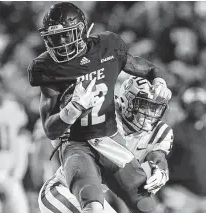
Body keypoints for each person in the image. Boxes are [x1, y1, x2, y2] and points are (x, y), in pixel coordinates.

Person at [27, 2, 172, 212]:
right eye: (54, 37)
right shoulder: (47, 68)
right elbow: (50, 129)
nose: (60, 43)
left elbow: (148, 68)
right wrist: (73, 109)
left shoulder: (107, 46)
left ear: (81, 29)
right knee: (93, 206)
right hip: (76, 144)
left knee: (147, 207)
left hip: (109, 140)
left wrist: (159, 81)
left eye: (66, 35)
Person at [38, 76, 173, 213]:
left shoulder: (158, 133)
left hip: (94, 198)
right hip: (63, 190)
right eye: (144, 105)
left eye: (154, 108)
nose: (150, 114)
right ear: (126, 101)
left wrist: (160, 170)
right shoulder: (102, 115)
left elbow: (157, 156)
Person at [0, 73, 30, 213]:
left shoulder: (14, 108)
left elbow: (22, 144)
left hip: (12, 175)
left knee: (21, 209)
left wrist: (16, 175)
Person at [160, 86, 206, 213]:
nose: (197, 107)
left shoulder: (204, 131)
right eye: (193, 104)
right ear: (186, 106)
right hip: (181, 195)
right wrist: (164, 192)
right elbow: (160, 162)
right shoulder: (175, 130)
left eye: (200, 104)